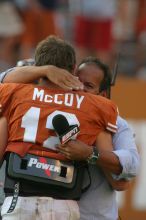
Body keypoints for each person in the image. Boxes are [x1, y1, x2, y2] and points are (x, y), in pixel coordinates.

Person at [0, 56, 139, 220]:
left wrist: (91, 153)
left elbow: (130, 168)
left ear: (103, 95)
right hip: (54, 210)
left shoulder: (115, 122)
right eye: (74, 81)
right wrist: (44, 70)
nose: (79, 88)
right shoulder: (44, 106)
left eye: (88, 86)